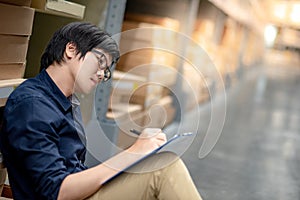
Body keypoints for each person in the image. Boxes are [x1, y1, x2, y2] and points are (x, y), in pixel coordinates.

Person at [0, 22, 202, 200]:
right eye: (100, 62)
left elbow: (74, 171)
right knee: (164, 168)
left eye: (105, 71)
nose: (100, 74)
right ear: (70, 49)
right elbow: (56, 192)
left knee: (158, 164)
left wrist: (139, 157)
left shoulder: (67, 101)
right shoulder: (32, 106)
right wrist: (134, 152)